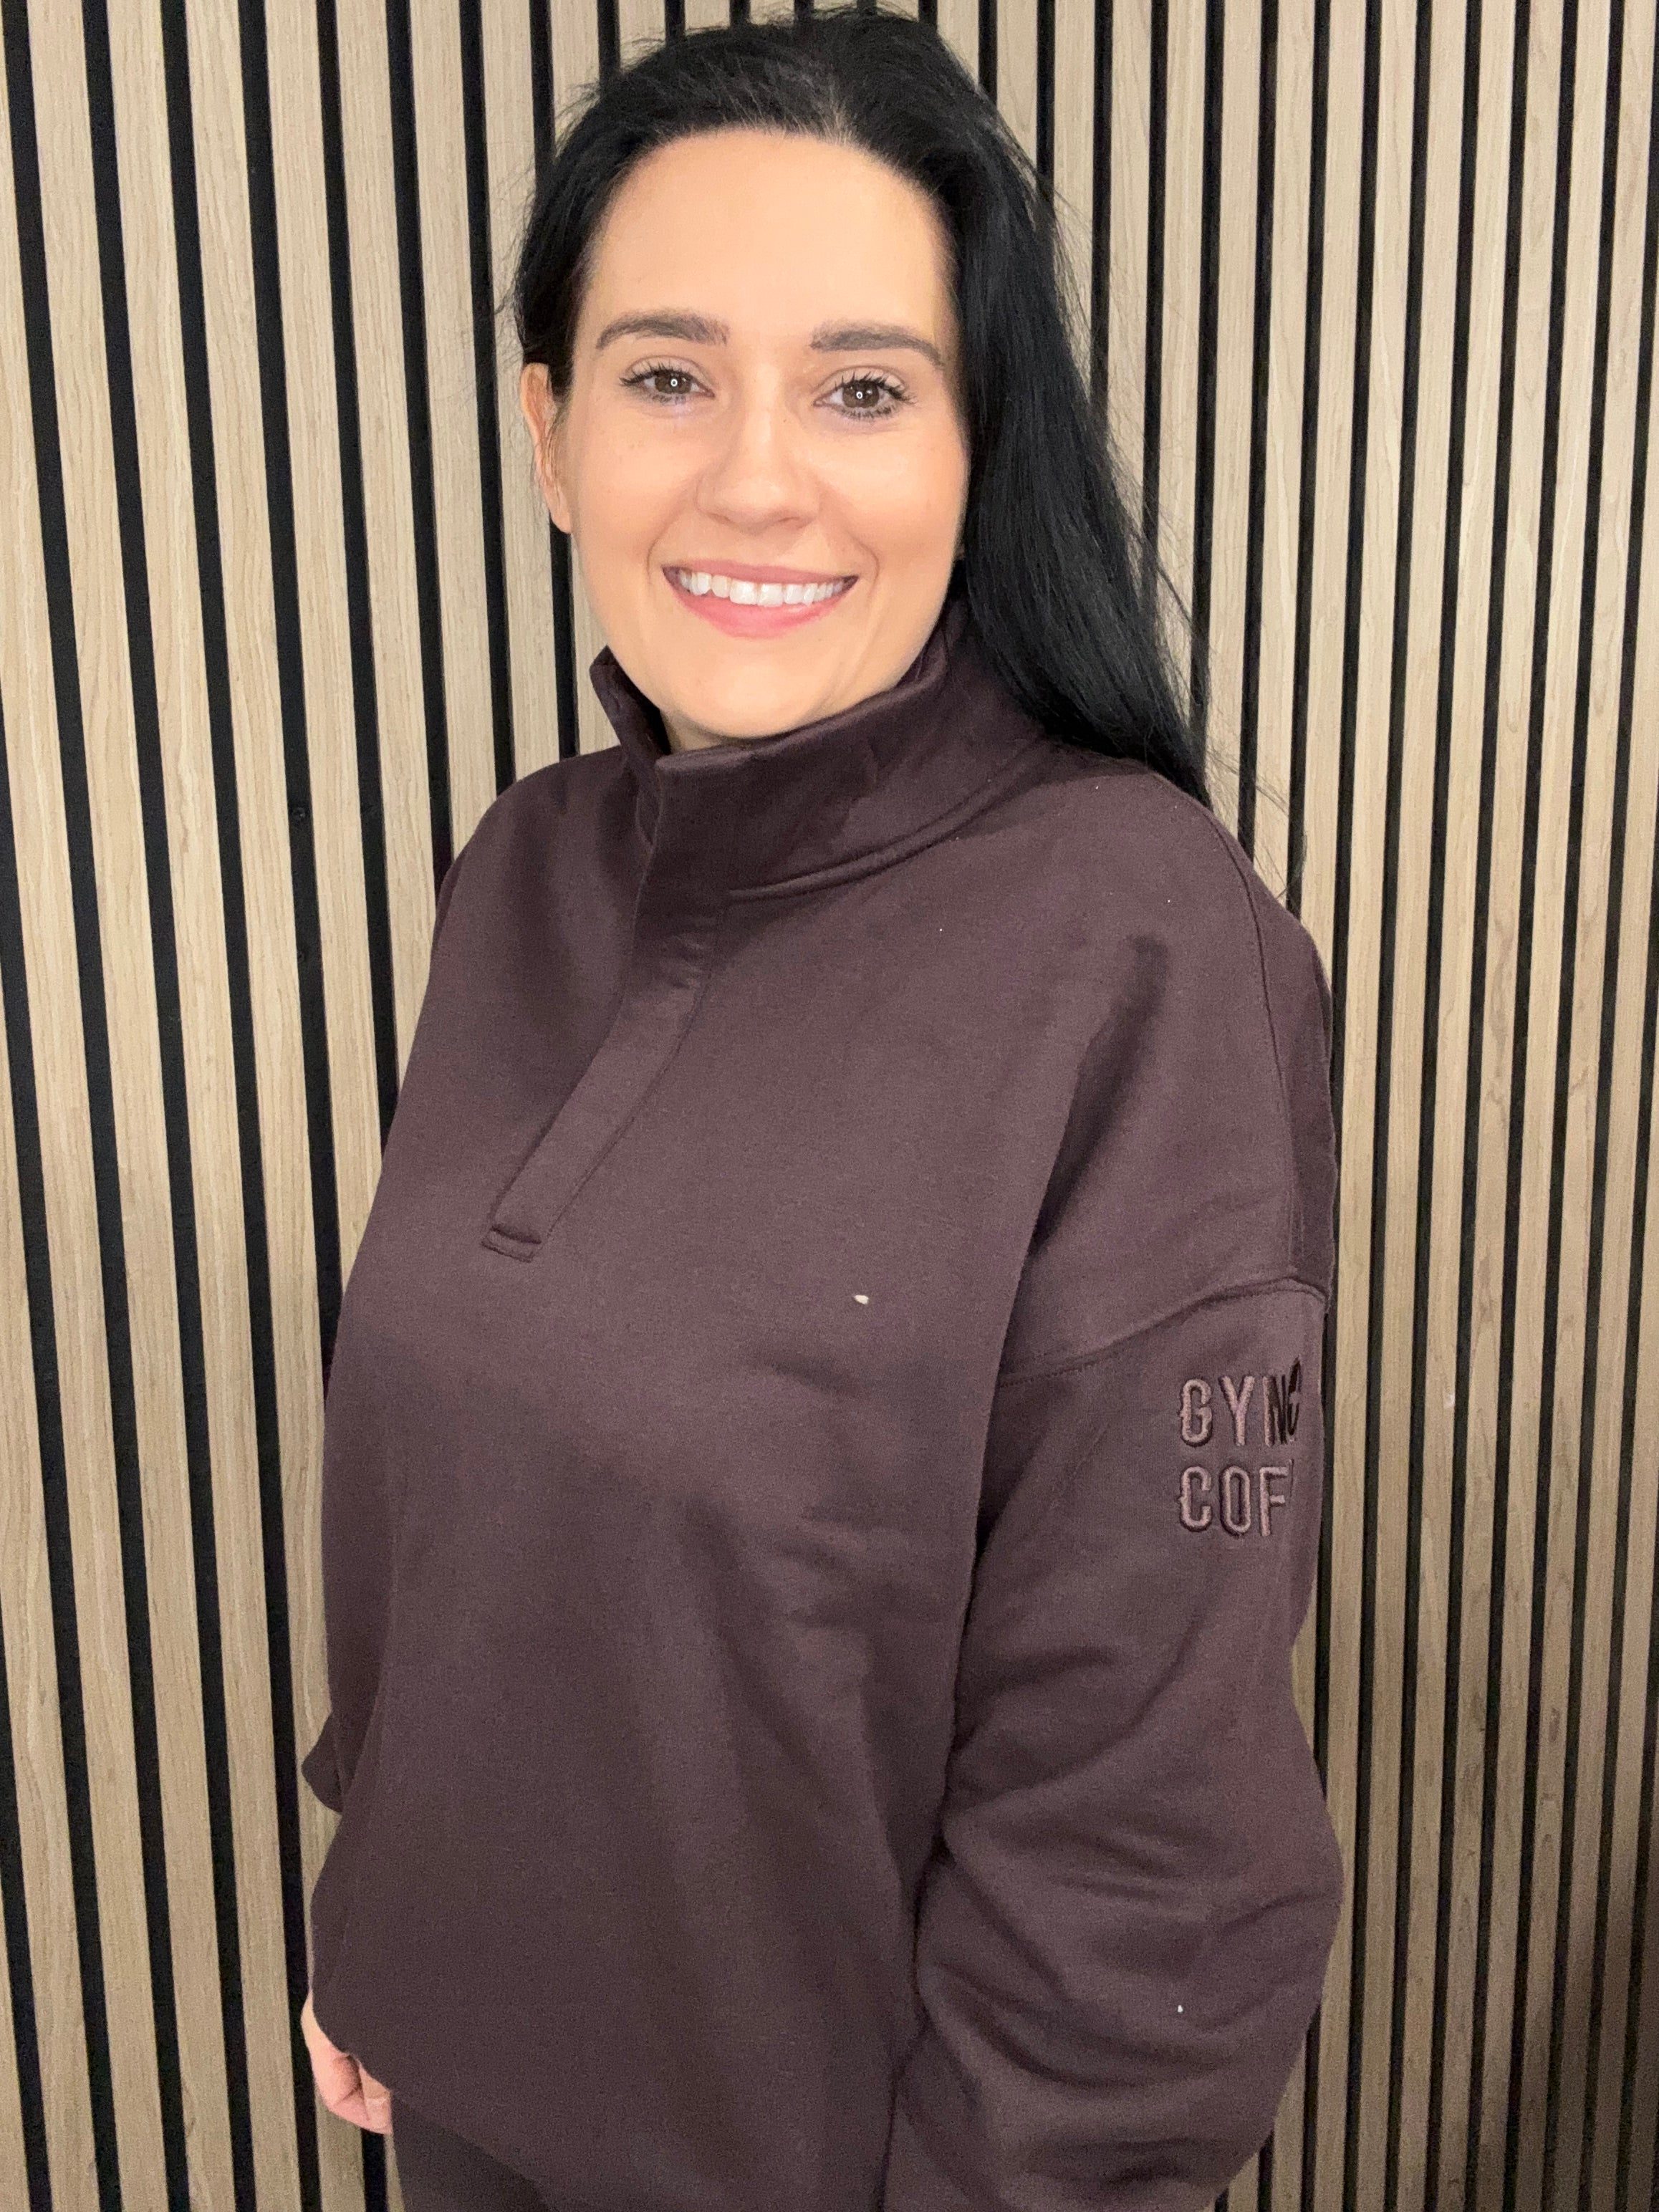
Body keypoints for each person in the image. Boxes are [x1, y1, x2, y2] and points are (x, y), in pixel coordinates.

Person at [297, 9, 1344, 2209]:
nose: (756, 479)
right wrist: (382, 1902)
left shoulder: (1139, 946)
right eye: (666, 376)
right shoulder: (523, 876)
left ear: (978, 452)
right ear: (550, 431)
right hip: (451, 2084)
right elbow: (446, 1501)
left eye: (862, 389)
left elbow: (1145, 1792)